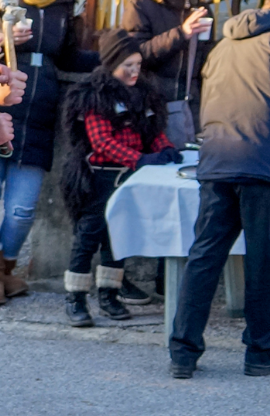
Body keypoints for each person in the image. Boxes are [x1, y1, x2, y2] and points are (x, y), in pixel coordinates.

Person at [0, 5, 94, 307]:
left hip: (39, 118)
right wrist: (0, 40)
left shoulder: (62, 10)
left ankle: (4, 270)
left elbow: (70, 57)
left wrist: (115, 58)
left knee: (22, 210)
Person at [169, 8, 270, 379]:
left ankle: (182, 352)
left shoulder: (223, 45)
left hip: (216, 162)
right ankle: (260, 353)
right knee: (263, 263)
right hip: (262, 163)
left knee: (205, 256)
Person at [61, 41, 181, 328]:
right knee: (88, 236)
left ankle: (109, 296)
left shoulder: (144, 95)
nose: (134, 71)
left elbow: (153, 132)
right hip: (99, 176)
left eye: (138, 65)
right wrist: (139, 160)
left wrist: (165, 150)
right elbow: (101, 142)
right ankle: (75, 298)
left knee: (118, 237)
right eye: (128, 65)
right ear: (113, 64)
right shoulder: (95, 96)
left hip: (128, 177)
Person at [117, 0, 218, 145]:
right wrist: (181, 33)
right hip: (153, 104)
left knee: (193, 158)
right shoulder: (140, 4)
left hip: (192, 103)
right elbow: (134, 55)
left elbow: (206, 59)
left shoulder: (201, 7)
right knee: (160, 159)